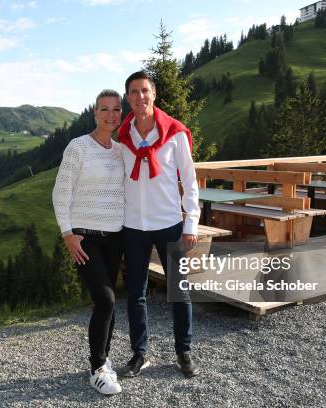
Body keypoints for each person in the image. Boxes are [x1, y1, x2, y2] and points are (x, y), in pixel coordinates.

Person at [118, 71, 201, 379]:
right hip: (133, 226)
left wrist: (191, 221)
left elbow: (190, 182)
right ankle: (139, 354)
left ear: (153, 94)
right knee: (136, 293)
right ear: (128, 98)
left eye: (145, 91)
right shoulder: (123, 137)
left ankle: (184, 351)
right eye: (134, 92)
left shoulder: (175, 134)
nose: (140, 97)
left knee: (179, 291)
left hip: (169, 223)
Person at [52, 89, 125, 395]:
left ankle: (104, 361)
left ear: (121, 114)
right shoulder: (78, 147)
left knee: (110, 303)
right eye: (104, 109)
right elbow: (61, 192)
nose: (110, 115)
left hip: (116, 236)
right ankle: (96, 368)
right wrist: (68, 234)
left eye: (116, 109)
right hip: (85, 238)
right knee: (105, 299)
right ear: (94, 113)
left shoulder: (122, 151)